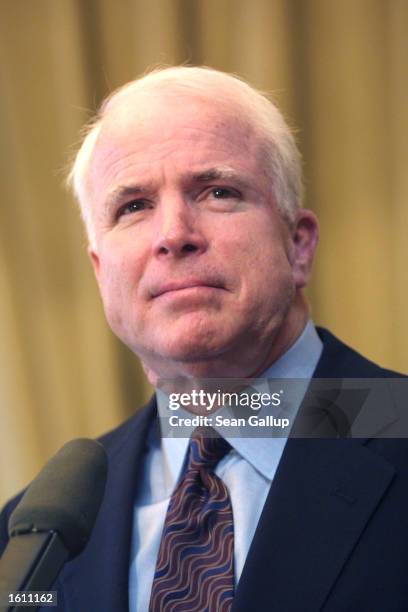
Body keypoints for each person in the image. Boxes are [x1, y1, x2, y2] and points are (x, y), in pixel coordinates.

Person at [1, 66, 407, 611]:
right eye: (133, 206)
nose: (173, 235)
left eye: (218, 191)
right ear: (101, 272)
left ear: (298, 245)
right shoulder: (30, 539)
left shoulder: (396, 426)